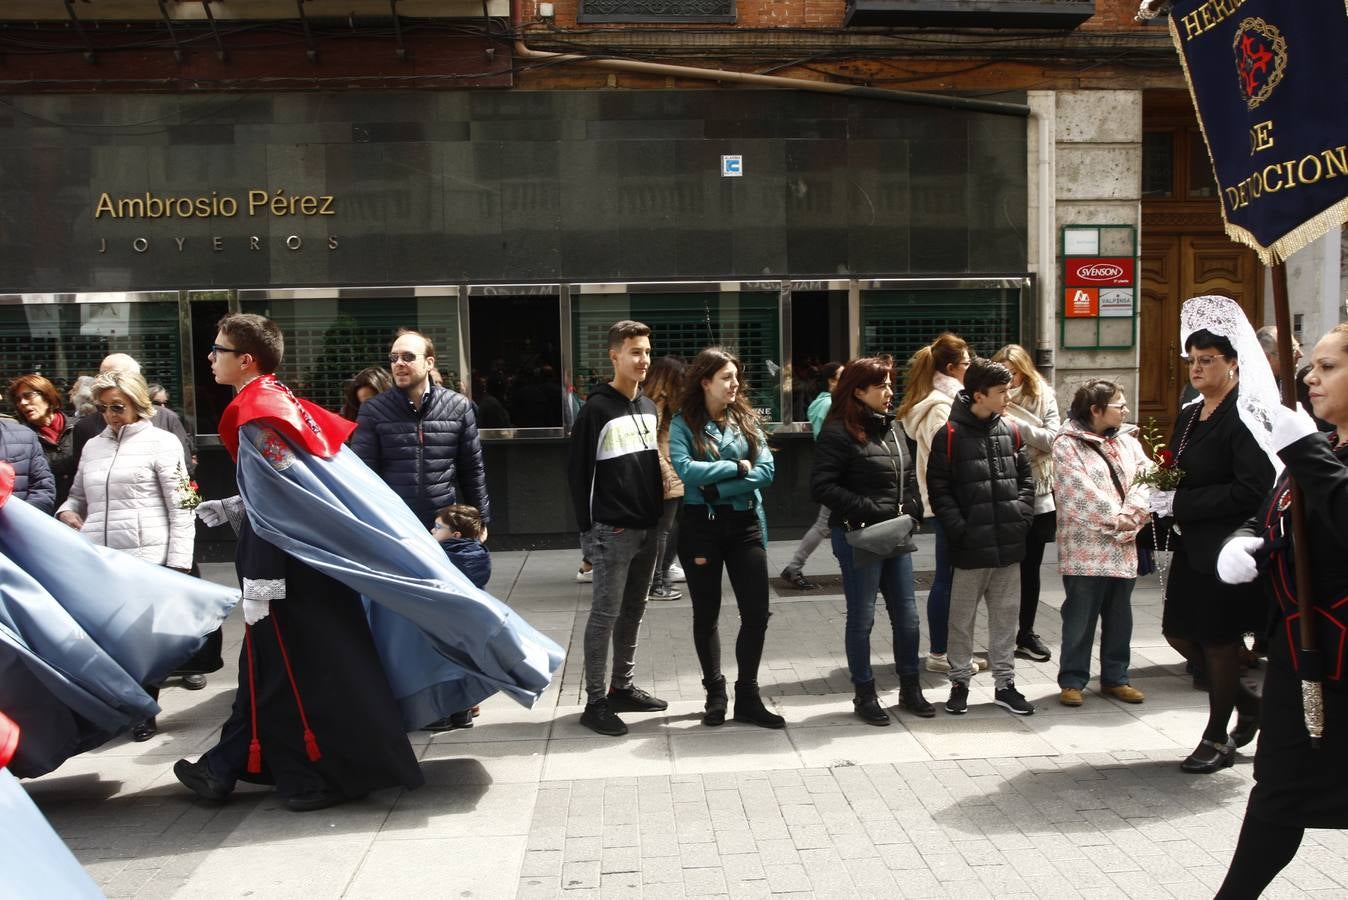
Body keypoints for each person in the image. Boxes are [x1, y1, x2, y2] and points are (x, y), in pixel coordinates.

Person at [175, 314, 425, 812]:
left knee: (285, 672)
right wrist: (237, 506)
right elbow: (285, 490)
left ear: (245, 360)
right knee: (268, 669)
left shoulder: (259, 409)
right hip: (294, 561)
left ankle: (306, 779)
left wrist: (263, 578)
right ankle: (225, 767)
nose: (210, 357)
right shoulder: (276, 401)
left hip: (284, 567)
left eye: (218, 349)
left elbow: (288, 497)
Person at [1213, 323, 1348, 898]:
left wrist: (1306, 451)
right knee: (1279, 794)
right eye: (1310, 365)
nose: (1310, 378)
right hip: (1301, 659)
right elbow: (1281, 510)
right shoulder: (1318, 443)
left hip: (1342, 663)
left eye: (1329, 367)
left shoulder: (1314, 448)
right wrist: (1243, 541)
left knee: (1281, 797)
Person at [1148, 298, 1279, 774]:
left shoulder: (1245, 413)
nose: (1198, 368)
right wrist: (1158, 494)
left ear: (1233, 362)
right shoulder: (1190, 412)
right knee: (1178, 632)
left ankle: (1216, 735)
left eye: (1209, 360)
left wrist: (1180, 502)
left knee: (1220, 641)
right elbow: (1179, 469)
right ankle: (1248, 702)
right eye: (1193, 360)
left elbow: (1252, 490)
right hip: (1192, 545)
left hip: (1229, 545)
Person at [56, 369, 194, 741]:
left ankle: (142, 710)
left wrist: (178, 565)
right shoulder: (93, 446)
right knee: (108, 639)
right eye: (103, 408)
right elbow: (78, 496)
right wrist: (66, 511)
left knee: (140, 643)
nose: (111, 414)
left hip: (148, 558)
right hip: (100, 558)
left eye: (118, 406)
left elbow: (185, 504)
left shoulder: (164, 443)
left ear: (138, 403)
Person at [810, 357, 932, 724]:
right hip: (857, 534)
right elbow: (822, 486)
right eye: (881, 385)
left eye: (891, 384)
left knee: (908, 618)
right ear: (859, 391)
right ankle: (864, 694)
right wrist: (870, 508)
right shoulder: (837, 431)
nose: (889, 391)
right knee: (862, 618)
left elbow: (908, 477)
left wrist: (912, 510)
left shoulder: (894, 429)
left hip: (895, 532)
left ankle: (910, 687)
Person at [669, 347, 783, 729]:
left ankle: (747, 695)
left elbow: (767, 471)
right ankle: (715, 693)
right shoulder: (683, 423)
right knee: (707, 612)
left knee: (756, 613)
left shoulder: (746, 420)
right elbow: (687, 471)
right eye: (726, 377)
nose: (735, 384)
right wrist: (736, 466)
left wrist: (720, 488)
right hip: (701, 526)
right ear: (705, 382)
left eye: (736, 377)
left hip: (745, 524)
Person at [567, 320, 668, 736]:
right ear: (615, 356)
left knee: (634, 612)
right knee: (604, 616)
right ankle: (595, 702)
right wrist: (587, 536)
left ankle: (621, 687)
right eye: (634, 352)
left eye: (646, 352)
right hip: (612, 532)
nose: (643, 360)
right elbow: (578, 475)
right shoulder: (595, 409)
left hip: (648, 529)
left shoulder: (648, 406)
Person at [925, 358, 1035, 716]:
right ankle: (959, 682)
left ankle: (1005, 684)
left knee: (1006, 618)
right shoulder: (951, 434)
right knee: (961, 618)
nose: (1008, 398)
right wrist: (960, 528)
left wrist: (1021, 516)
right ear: (978, 394)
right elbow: (938, 489)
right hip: (970, 546)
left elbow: (1026, 479)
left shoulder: (1012, 429)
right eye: (1002, 392)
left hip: (1008, 543)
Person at [1051, 381, 1150, 708]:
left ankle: (1116, 677)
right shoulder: (1066, 444)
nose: (1125, 410)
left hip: (1124, 545)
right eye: (1118, 405)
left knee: (1120, 615)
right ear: (1095, 410)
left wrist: (1134, 515)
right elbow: (1075, 493)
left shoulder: (1128, 440)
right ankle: (1073, 679)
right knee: (1080, 615)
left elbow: (1145, 477)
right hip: (1086, 548)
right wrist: (1118, 520)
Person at [898, 333, 987, 676]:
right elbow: (947, 458)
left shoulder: (950, 401)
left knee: (954, 578)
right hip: (950, 503)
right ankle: (940, 652)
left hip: (951, 502)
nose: (971, 366)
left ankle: (951, 651)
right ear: (951, 368)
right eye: (967, 362)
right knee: (949, 579)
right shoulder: (942, 406)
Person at [351, 329, 490, 530]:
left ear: (429, 363)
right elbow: (363, 474)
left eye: (408, 357)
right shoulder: (373, 410)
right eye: (394, 357)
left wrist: (480, 522)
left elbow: (472, 470)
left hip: (444, 526)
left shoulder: (458, 406)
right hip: (394, 524)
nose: (399, 363)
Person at [991, 344, 1060, 664]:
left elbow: (1052, 440)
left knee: (1030, 568)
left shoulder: (1043, 395)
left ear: (1025, 370)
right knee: (1003, 570)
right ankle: (1001, 635)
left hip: (1038, 492)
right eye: (1003, 373)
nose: (1009, 379)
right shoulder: (988, 396)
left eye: (1013, 372)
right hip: (1001, 492)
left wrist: (1016, 425)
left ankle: (1026, 633)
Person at [428, 503, 491, 731]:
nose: (432, 532)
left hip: (441, 624)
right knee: (463, 665)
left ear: (454, 535)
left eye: (437, 528)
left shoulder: (442, 555)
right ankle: (463, 712)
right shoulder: (478, 554)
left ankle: (439, 715)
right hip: (468, 626)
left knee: (439, 666)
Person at [71, 354, 192, 472]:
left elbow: (181, 476)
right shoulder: (87, 432)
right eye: (102, 376)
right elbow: (79, 485)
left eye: (117, 407)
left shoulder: (166, 422)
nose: (110, 414)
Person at [781, 361, 843, 591]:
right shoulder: (826, 404)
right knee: (824, 524)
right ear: (831, 380)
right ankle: (794, 567)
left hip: (834, 470)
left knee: (834, 524)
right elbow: (828, 437)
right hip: (835, 471)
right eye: (842, 376)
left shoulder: (828, 403)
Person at [644, 355, 687, 602]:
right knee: (664, 530)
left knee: (671, 529)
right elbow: (650, 440)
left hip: (671, 471)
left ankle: (660, 578)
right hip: (667, 473)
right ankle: (657, 582)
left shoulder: (657, 400)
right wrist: (664, 471)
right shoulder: (656, 401)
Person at [8, 374, 73, 508]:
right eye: (18, 399)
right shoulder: (20, 440)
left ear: (47, 396)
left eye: (28, 395)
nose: (23, 403)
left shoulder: (79, 429)